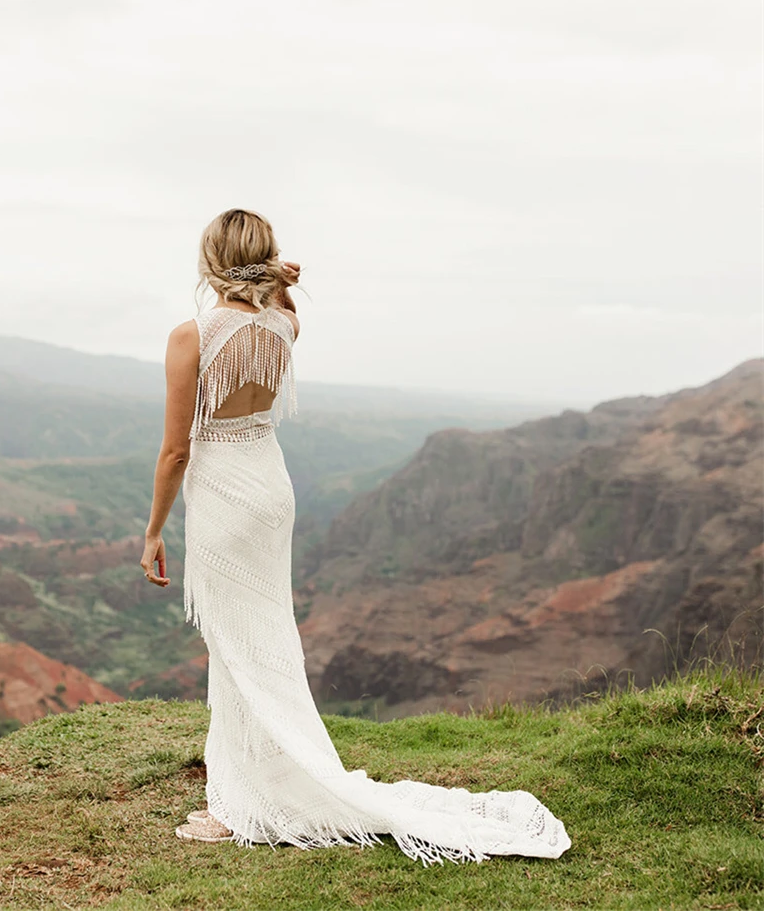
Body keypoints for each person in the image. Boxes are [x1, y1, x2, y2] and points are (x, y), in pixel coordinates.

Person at [139, 208, 571, 865]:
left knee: (237, 648)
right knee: (259, 639)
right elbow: (276, 305)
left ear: (210, 261)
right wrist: (280, 281)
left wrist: (152, 532)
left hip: (223, 495)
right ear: (265, 258)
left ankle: (244, 804)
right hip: (268, 488)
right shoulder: (285, 324)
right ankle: (239, 789)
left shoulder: (191, 335)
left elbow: (175, 452)